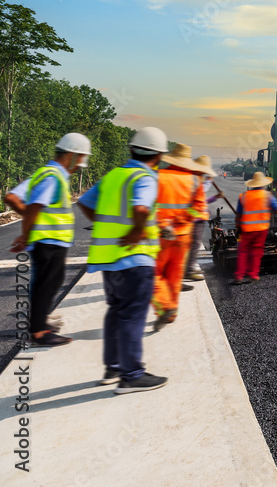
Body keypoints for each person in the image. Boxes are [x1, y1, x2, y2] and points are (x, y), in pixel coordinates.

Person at [78, 126, 169, 394]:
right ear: (158, 156)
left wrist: (103, 225)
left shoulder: (114, 176)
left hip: (109, 259)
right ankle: (131, 375)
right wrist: (135, 231)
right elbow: (141, 208)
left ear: (132, 149)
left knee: (116, 312)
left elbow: (84, 202)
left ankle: (113, 367)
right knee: (132, 316)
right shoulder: (145, 177)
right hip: (134, 259)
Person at [6, 133, 91, 347]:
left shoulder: (44, 173)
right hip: (49, 241)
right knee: (47, 284)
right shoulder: (54, 177)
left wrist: (32, 225)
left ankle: (39, 322)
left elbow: (12, 198)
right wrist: (27, 233)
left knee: (48, 282)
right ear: (71, 155)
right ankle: (39, 332)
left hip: (47, 241)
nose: (78, 166)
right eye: (79, 160)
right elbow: (35, 206)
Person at [151, 144, 207, 331]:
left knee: (152, 274)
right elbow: (197, 208)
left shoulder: (157, 176)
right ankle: (172, 312)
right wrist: (180, 219)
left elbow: (148, 206)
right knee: (174, 275)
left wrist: (165, 223)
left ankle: (164, 307)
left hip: (160, 236)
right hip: (183, 236)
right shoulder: (194, 181)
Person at [232, 171, 277, 284]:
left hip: (246, 230)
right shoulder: (267, 196)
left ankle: (239, 275)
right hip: (261, 230)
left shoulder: (243, 196)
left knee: (243, 252)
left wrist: (237, 227)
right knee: (256, 252)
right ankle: (253, 274)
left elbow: (238, 215)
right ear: (263, 184)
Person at [184, 155, 224, 284]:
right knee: (193, 244)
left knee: (191, 244)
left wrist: (215, 197)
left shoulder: (197, 180)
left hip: (195, 217)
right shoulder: (195, 181)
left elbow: (203, 200)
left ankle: (186, 268)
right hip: (194, 218)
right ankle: (188, 270)